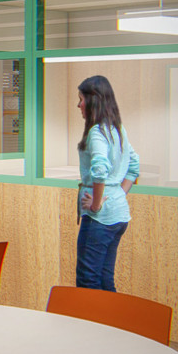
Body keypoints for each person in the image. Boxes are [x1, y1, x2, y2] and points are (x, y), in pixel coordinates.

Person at [74, 75, 139, 292]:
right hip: (118, 215)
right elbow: (134, 165)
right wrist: (118, 194)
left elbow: (99, 169)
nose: (79, 105)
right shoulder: (117, 129)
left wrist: (96, 204)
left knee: (88, 281)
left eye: (81, 99)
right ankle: (110, 324)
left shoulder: (97, 132)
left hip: (99, 219)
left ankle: (91, 325)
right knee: (104, 278)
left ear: (93, 100)